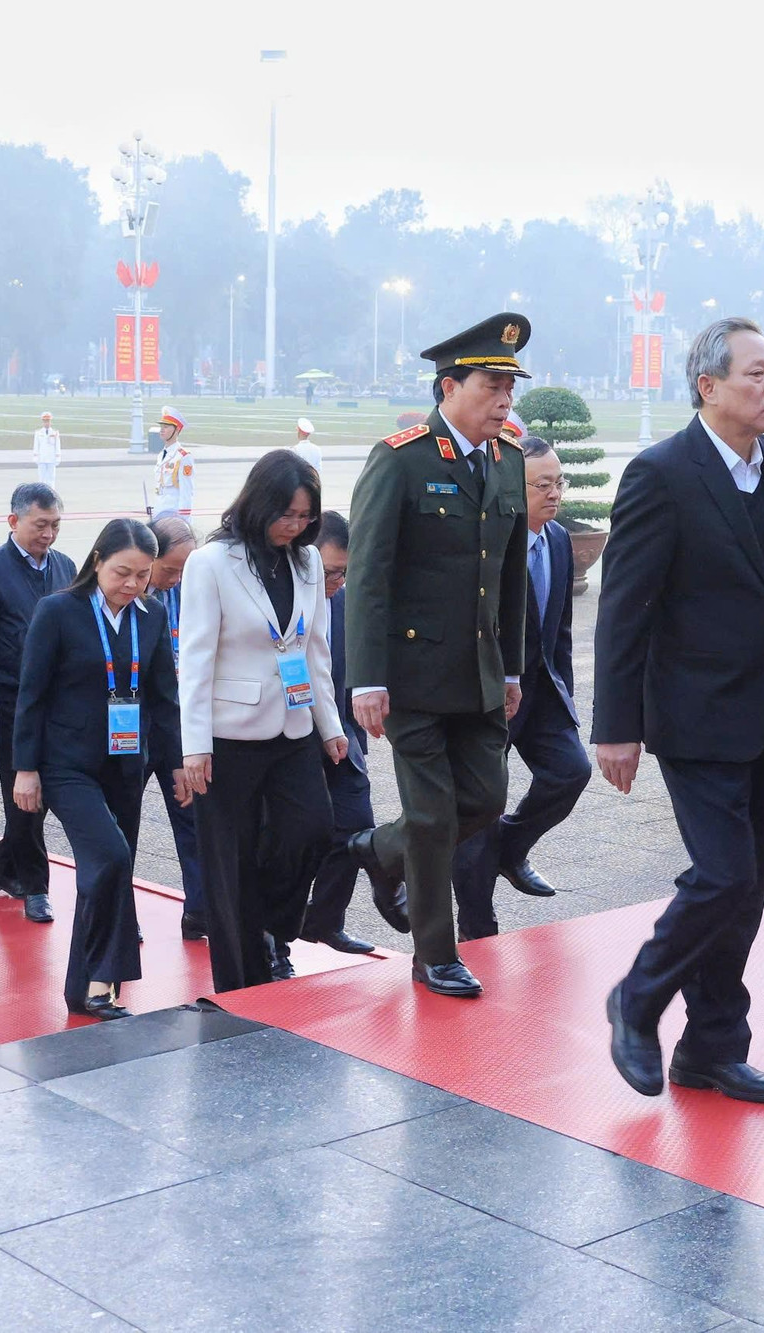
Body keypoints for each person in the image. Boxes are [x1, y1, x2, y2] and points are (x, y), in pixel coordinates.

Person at [594, 317, 764, 1104]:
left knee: (745, 888)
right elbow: (623, 610)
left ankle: (711, 1047)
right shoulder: (660, 473)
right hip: (696, 714)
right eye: (756, 375)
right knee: (723, 874)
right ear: (707, 386)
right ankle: (637, 998)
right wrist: (616, 724)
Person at [344, 312, 531, 998]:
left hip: (480, 674)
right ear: (449, 386)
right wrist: (366, 677)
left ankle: (377, 849)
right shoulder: (401, 457)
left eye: (511, 387)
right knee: (431, 816)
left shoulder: (508, 458)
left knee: (483, 799)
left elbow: (509, 577)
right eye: (492, 385)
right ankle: (435, 953)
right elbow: (367, 575)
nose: (505, 400)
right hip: (411, 676)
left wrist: (510, 667)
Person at [175, 450, 346, 991]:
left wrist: (331, 725)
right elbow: (195, 659)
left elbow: (315, 648)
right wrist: (194, 746)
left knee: (312, 829)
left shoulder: (307, 561)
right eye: (286, 515)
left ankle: (274, 925)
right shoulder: (210, 563)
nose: (295, 527)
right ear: (259, 503)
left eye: (305, 518)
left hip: (293, 723)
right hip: (228, 732)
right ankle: (241, 983)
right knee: (231, 865)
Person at [13, 519, 182, 1017]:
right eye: (122, 572)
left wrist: (175, 768)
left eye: (142, 576)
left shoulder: (149, 617)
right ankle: (103, 977)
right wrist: (26, 768)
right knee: (107, 856)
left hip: (126, 763)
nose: (131, 585)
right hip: (67, 764)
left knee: (113, 867)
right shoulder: (58, 611)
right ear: (96, 562)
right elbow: (32, 694)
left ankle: (86, 986)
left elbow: (164, 699)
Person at [452, 434, 589, 939]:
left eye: (560, 482)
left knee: (571, 772)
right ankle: (476, 923)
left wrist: (566, 696)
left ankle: (511, 850)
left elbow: (563, 631)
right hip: (488, 697)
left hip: (541, 692)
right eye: (542, 485)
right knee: (482, 809)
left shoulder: (556, 539)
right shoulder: (489, 540)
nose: (554, 494)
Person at [0, 483, 74, 923]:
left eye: (55, 525)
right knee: (23, 797)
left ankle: (2, 866)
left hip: (59, 703)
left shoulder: (67, 567)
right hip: (9, 703)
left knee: (42, 794)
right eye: (39, 525)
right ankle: (35, 885)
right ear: (13, 522)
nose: (48, 535)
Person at [292, 511, 375, 957]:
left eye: (345, 571)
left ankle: (323, 920)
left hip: (340, 732)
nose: (337, 581)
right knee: (296, 838)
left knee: (358, 826)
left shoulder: (346, 601)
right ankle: (274, 935)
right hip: (287, 735)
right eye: (329, 571)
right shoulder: (282, 598)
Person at [144, 512, 206, 937]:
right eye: (170, 569)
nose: (176, 578)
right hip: (130, 723)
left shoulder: (191, 591)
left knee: (191, 815)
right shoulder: (122, 591)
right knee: (120, 824)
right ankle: (118, 917)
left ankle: (199, 911)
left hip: (177, 724)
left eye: (185, 570)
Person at [153, 409, 194, 518]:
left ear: (177, 430)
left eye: (166, 427)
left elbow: (187, 490)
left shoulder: (183, 457)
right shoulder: (161, 454)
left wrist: (184, 519)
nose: (162, 430)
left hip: (174, 514)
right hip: (159, 511)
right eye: (161, 427)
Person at [33, 412, 62, 486]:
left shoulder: (55, 432)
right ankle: (41, 495)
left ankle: (51, 494)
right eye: (45, 421)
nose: (47, 423)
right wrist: (35, 457)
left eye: (48, 421)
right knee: (41, 478)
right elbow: (36, 446)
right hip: (41, 458)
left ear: (50, 421)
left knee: (51, 478)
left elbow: (57, 445)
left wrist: (58, 457)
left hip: (51, 458)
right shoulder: (38, 433)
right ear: (43, 422)